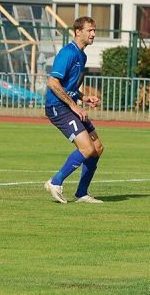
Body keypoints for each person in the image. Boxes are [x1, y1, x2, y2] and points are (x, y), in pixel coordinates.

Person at [44, 17, 104, 204]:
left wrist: (83, 98)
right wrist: (74, 105)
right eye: (90, 30)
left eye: (94, 30)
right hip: (57, 107)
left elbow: (68, 86)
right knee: (86, 148)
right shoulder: (67, 53)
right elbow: (53, 82)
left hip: (69, 105)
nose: (93, 34)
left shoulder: (82, 55)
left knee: (97, 148)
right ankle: (55, 182)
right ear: (78, 32)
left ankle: (81, 193)